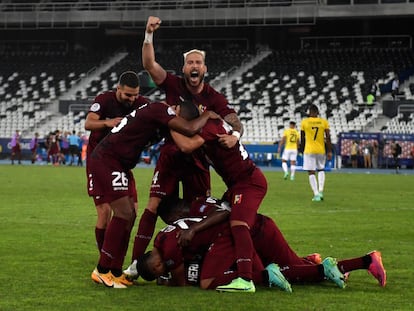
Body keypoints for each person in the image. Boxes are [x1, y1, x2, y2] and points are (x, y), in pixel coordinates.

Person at [125, 15, 243, 277]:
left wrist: (235, 134)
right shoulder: (172, 84)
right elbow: (148, 63)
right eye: (190, 62)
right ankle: (136, 264)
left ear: (204, 69)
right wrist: (148, 34)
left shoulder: (213, 97)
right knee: (153, 207)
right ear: (184, 67)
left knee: (198, 212)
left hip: (198, 158)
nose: (194, 65)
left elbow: (235, 120)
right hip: (171, 153)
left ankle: (191, 263)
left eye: (198, 62)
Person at [89, 99, 219, 289]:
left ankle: (115, 271)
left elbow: (185, 141)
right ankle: (101, 269)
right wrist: (208, 115)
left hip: (118, 163)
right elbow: (189, 130)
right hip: (107, 160)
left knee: (130, 215)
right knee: (124, 213)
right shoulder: (162, 108)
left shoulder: (163, 120)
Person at [136, 196, 386, 290]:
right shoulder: (197, 211)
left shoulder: (170, 241)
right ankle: (333, 262)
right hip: (254, 227)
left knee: (278, 274)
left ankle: (352, 263)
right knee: (293, 270)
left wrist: (166, 279)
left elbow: (181, 278)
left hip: (249, 233)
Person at [170, 102, 267, 293]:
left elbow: (186, 147)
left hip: (248, 182)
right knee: (223, 213)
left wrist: (169, 124)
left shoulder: (208, 129)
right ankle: (266, 270)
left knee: (238, 224)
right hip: (236, 185)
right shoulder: (208, 127)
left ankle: (246, 279)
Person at [84, 71, 150, 258]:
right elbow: (88, 123)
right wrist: (108, 123)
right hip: (99, 162)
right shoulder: (104, 99)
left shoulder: (142, 103)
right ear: (118, 89)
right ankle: (104, 257)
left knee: (132, 212)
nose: (132, 99)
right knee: (104, 212)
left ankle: (115, 253)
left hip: (121, 163)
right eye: (128, 94)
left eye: (135, 94)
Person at [299, 104, 332, 202]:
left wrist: (301, 150)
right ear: (317, 112)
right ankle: (321, 191)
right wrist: (329, 151)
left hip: (309, 150)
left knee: (311, 172)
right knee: (321, 169)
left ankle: (316, 194)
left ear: (309, 112)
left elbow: (302, 138)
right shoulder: (323, 122)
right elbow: (328, 137)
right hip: (321, 149)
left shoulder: (304, 122)